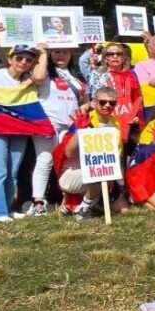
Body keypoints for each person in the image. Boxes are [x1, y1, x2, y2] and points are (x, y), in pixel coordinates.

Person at [0, 44, 47, 222]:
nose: (24, 62)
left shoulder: (28, 80)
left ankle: (6, 208)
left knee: (13, 171)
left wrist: (43, 54)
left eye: (29, 59)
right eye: (19, 58)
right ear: (9, 59)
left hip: (19, 129)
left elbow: (40, 76)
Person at [29, 45, 88, 216]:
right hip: (48, 122)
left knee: (68, 162)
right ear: (50, 54)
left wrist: (83, 109)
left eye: (65, 52)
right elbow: (38, 78)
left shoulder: (77, 76)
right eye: (56, 52)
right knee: (45, 160)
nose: (61, 55)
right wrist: (41, 53)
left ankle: (69, 201)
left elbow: (85, 99)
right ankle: (38, 201)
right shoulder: (45, 71)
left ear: (71, 54)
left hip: (70, 124)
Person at [54, 88, 123, 221]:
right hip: (72, 174)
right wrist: (79, 131)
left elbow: (116, 156)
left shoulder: (116, 124)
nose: (107, 105)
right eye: (103, 102)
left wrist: (121, 186)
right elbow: (68, 153)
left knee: (123, 209)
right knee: (102, 172)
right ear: (94, 103)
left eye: (112, 103)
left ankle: (77, 207)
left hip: (98, 172)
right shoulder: (85, 120)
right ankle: (82, 209)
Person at [86, 42, 143, 142]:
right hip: (105, 120)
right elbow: (95, 99)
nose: (115, 56)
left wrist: (137, 116)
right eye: (110, 54)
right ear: (105, 58)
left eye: (119, 54)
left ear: (124, 58)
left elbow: (137, 98)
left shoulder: (131, 75)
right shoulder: (97, 74)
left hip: (129, 121)